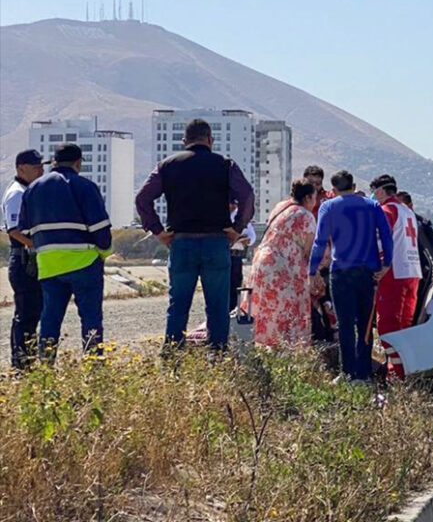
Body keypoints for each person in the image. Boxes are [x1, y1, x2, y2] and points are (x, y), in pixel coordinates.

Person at [135, 119, 255, 353]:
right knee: (218, 306)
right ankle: (218, 356)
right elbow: (247, 195)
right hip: (216, 242)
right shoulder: (224, 164)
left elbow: (142, 199)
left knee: (178, 305)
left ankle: (172, 358)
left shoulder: (167, 165)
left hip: (181, 243)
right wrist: (237, 228)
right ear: (210, 140)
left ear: (184, 141)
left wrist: (158, 231)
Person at [18, 144, 112, 363]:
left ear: (53, 162)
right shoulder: (85, 186)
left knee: (50, 319)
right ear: (78, 163)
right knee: (90, 318)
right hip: (84, 262)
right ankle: (93, 367)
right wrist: (104, 252)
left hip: (49, 265)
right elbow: (100, 229)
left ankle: (46, 366)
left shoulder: (32, 189)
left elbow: (24, 230)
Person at [309, 170, 392, 381]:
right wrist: (387, 264)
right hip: (367, 272)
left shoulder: (328, 206)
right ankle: (363, 375)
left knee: (345, 325)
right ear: (354, 186)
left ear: (334, 190)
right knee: (365, 324)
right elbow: (386, 236)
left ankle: (346, 372)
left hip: (341, 272)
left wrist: (312, 270)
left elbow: (320, 242)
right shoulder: (372, 205)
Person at [251, 180, 317, 348]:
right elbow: (309, 249)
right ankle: (288, 349)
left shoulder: (281, 206)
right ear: (308, 197)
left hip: (262, 261)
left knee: (266, 308)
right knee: (287, 309)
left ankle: (263, 345)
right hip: (283, 267)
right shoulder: (305, 215)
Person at [4, 150, 46, 368]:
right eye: (35, 166)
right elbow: (14, 231)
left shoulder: (31, 191)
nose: (41, 170)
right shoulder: (17, 193)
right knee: (26, 314)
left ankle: (26, 360)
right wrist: (38, 245)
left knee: (34, 312)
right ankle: (21, 363)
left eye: (41, 166)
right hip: (23, 260)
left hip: (32, 260)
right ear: (21, 168)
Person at [370, 176, 421, 335]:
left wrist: (378, 266)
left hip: (393, 273)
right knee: (405, 326)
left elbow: (380, 241)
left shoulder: (386, 211)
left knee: (388, 325)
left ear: (380, 191)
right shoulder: (407, 210)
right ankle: (403, 360)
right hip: (412, 272)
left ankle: (395, 360)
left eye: (374, 192)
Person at [397, 191, 433, 325]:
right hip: (410, 271)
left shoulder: (419, 223)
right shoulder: (409, 221)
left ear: (410, 205)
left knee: (415, 309)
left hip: (421, 273)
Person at [304, 165, 336, 342]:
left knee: (327, 301)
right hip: (308, 255)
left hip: (326, 257)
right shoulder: (302, 200)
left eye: (318, 183)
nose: (315, 186)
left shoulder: (327, 199)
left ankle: (331, 336)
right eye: (311, 182)